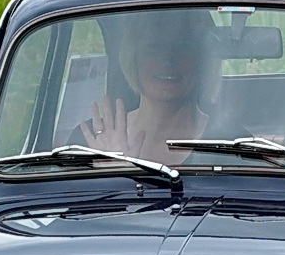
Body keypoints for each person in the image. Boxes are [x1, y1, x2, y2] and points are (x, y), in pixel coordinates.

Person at [75, 10, 214, 166]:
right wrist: (111, 176)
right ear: (133, 57)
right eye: (155, 47)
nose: (168, 59)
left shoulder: (233, 143)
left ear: (203, 60)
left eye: (183, 47)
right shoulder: (91, 140)